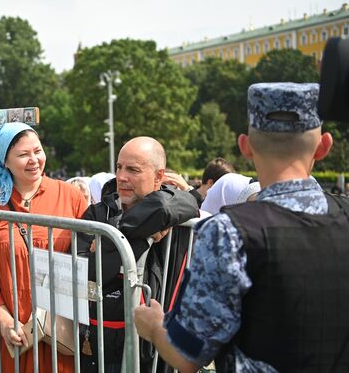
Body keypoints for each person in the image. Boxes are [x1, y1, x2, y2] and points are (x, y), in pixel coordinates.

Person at [134, 83, 349, 372]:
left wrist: (154, 328)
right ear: (324, 146)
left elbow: (187, 354)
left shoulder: (227, 233)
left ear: (245, 146)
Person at [0, 122, 87, 372]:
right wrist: (4, 320)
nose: (34, 160)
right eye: (22, 154)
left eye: (37, 151)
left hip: (56, 329)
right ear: (4, 161)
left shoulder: (70, 197)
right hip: (6, 328)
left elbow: (87, 253)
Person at [76, 137, 199, 372]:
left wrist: (118, 235)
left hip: (158, 353)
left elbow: (179, 203)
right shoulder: (97, 214)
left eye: (133, 169)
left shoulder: (178, 214)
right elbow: (88, 274)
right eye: (119, 167)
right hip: (103, 349)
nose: (121, 177)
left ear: (158, 176)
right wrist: (141, 237)